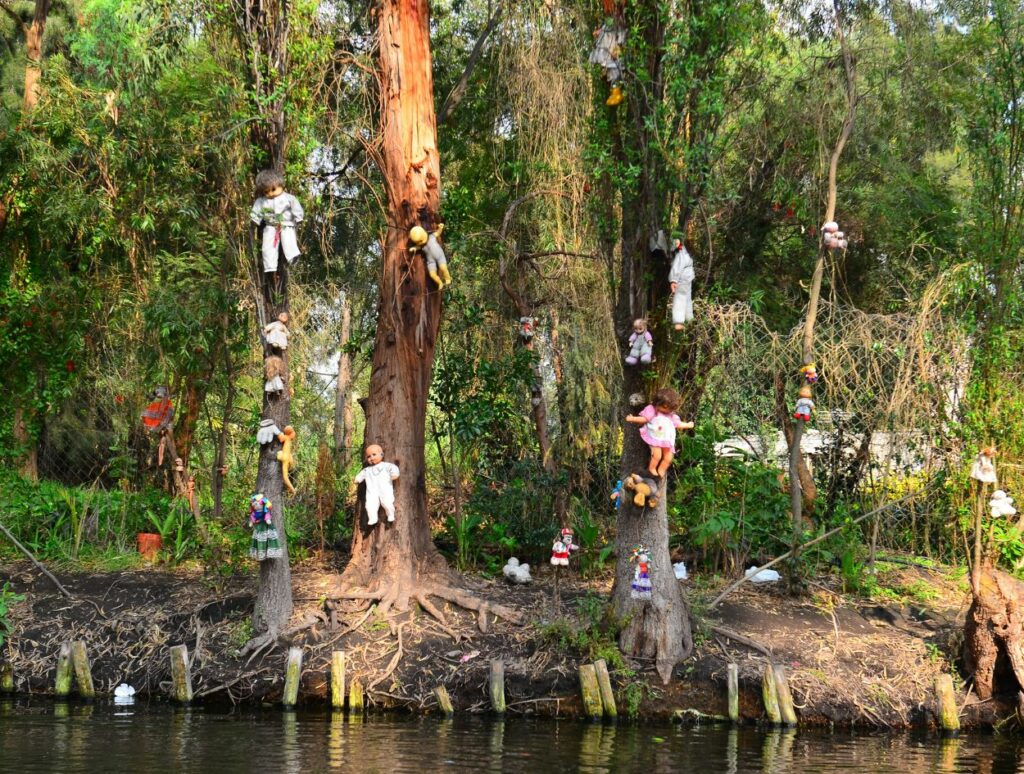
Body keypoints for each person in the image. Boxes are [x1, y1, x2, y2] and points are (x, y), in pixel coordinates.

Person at [249, 169, 304, 290]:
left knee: (289, 241)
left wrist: (299, 218)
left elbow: (296, 207)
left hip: (286, 225)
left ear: (280, 184)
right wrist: (255, 220)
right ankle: (270, 268)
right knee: (267, 247)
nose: (271, 193)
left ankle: (293, 257)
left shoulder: (288, 198)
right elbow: (256, 212)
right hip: (271, 227)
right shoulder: (261, 201)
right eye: (266, 191)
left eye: (273, 189)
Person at [626, 387, 693, 478]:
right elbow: (645, 419)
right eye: (665, 407)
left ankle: (661, 469)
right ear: (657, 402)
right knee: (657, 456)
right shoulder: (652, 410)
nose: (667, 410)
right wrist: (633, 418)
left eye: (670, 409)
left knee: (668, 458)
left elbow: (678, 424)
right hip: (655, 437)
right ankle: (652, 468)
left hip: (667, 440)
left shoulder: (671, 415)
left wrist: (688, 425)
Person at [354, 444, 400, 526]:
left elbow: (394, 468)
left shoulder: (386, 466)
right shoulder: (367, 470)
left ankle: (390, 514)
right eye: (368, 456)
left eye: (374, 454)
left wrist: (394, 474)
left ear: (381, 454)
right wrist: (357, 479)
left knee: (387, 502)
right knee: (370, 504)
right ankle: (372, 518)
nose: (371, 457)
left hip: (385, 489)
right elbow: (361, 475)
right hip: (372, 490)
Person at [669, 239, 695, 329]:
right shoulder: (686, 254)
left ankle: (679, 322)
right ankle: (689, 318)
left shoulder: (682, 254)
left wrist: (673, 280)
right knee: (687, 298)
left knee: (680, 298)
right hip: (687, 278)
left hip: (683, 279)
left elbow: (677, 267)